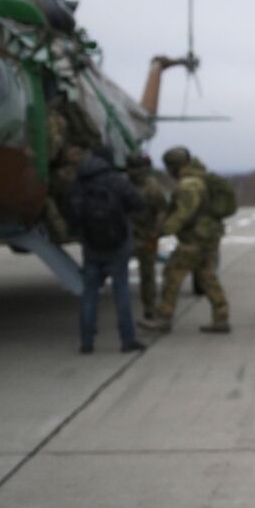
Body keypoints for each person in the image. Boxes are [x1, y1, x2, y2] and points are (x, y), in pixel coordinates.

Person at [140, 146, 230, 334]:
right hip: (209, 237)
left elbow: (182, 214)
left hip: (195, 239)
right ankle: (221, 318)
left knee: (172, 274)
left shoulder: (188, 185)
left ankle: (164, 318)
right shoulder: (199, 178)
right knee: (207, 277)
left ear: (173, 166)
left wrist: (161, 232)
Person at [66, 147, 145, 354]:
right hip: (118, 245)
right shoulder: (117, 180)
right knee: (121, 293)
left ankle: (86, 342)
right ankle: (127, 340)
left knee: (89, 294)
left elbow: (72, 215)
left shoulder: (78, 182)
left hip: (91, 247)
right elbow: (139, 203)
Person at [125, 151, 168, 320]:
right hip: (139, 235)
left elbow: (161, 212)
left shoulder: (151, 188)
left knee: (147, 274)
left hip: (141, 236)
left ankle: (149, 307)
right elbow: (163, 211)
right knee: (147, 274)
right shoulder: (151, 186)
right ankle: (149, 307)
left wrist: (155, 233)